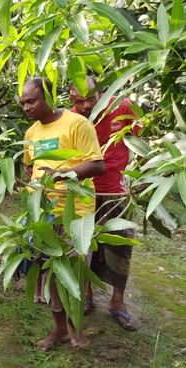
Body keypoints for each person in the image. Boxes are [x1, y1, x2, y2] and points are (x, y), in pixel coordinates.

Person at [21, 77, 105, 351]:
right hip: (45, 216)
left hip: (75, 214)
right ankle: (59, 329)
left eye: (31, 101)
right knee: (52, 274)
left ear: (47, 96)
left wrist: (59, 175)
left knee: (74, 274)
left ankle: (74, 328)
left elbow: (96, 165)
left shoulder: (77, 123)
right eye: (23, 103)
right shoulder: (31, 133)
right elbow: (29, 167)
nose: (26, 107)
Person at [69, 76, 141, 331]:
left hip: (117, 192)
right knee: (84, 246)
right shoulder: (70, 118)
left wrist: (141, 178)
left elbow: (140, 143)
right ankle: (87, 295)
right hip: (83, 192)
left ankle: (117, 301)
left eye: (91, 98)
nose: (86, 105)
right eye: (79, 101)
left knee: (121, 245)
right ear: (70, 100)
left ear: (101, 92)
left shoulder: (122, 107)